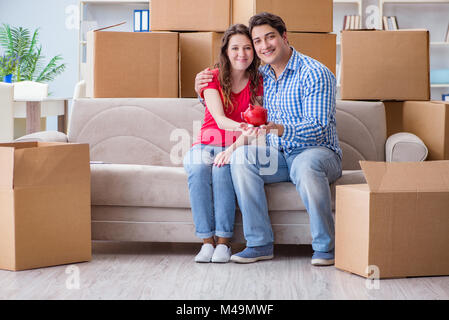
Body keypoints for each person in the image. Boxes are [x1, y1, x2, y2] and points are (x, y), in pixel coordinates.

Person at [195, 12, 342, 266]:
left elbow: (319, 128)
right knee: (241, 157)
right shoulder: (262, 76)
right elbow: (231, 85)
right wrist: (201, 88)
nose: (264, 46)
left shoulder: (315, 73)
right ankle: (259, 243)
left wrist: (279, 129)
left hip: (317, 151)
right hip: (278, 154)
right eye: (258, 41)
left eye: (270, 37)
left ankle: (324, 248)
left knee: (306, 166)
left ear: (284, 37)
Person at [183, 24, 263, 263]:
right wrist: (243, 126)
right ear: (226, 52)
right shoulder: (212, 76)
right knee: (197, 167)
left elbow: (256, 125)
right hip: (206, 142)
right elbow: (218, 118)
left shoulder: (258, 83)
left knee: (222, 171)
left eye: (248, 48)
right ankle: (206, 242)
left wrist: (235, 145)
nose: (242, 53)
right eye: (235, 48)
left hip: (237, 145)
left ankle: (224, 243)